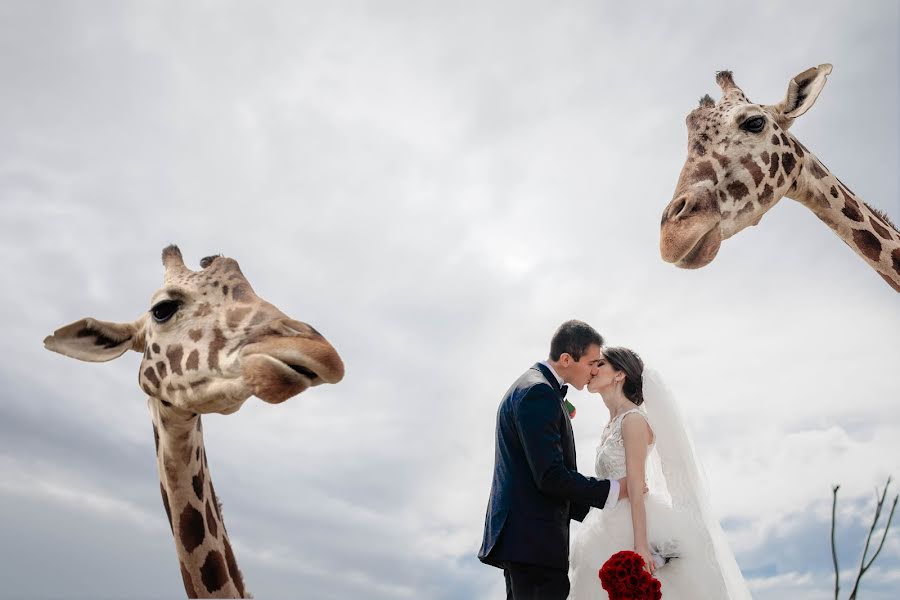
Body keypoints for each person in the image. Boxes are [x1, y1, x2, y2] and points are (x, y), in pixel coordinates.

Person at [568, 347, 752, 599]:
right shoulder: (610, 425)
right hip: (605, 520)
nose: (592, 370)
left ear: (619, 374)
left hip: (631, 525)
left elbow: (635, 484)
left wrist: (641, 546)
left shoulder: (633, 420)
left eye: (600, 365)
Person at [478, 320, 630, 600]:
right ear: (566, 359)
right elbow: (550, 476)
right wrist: (616, 489)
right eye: (591, 363)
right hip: (533, 543)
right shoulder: (538, 393)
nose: (595, 370)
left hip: (526, 542)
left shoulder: (534, 387)